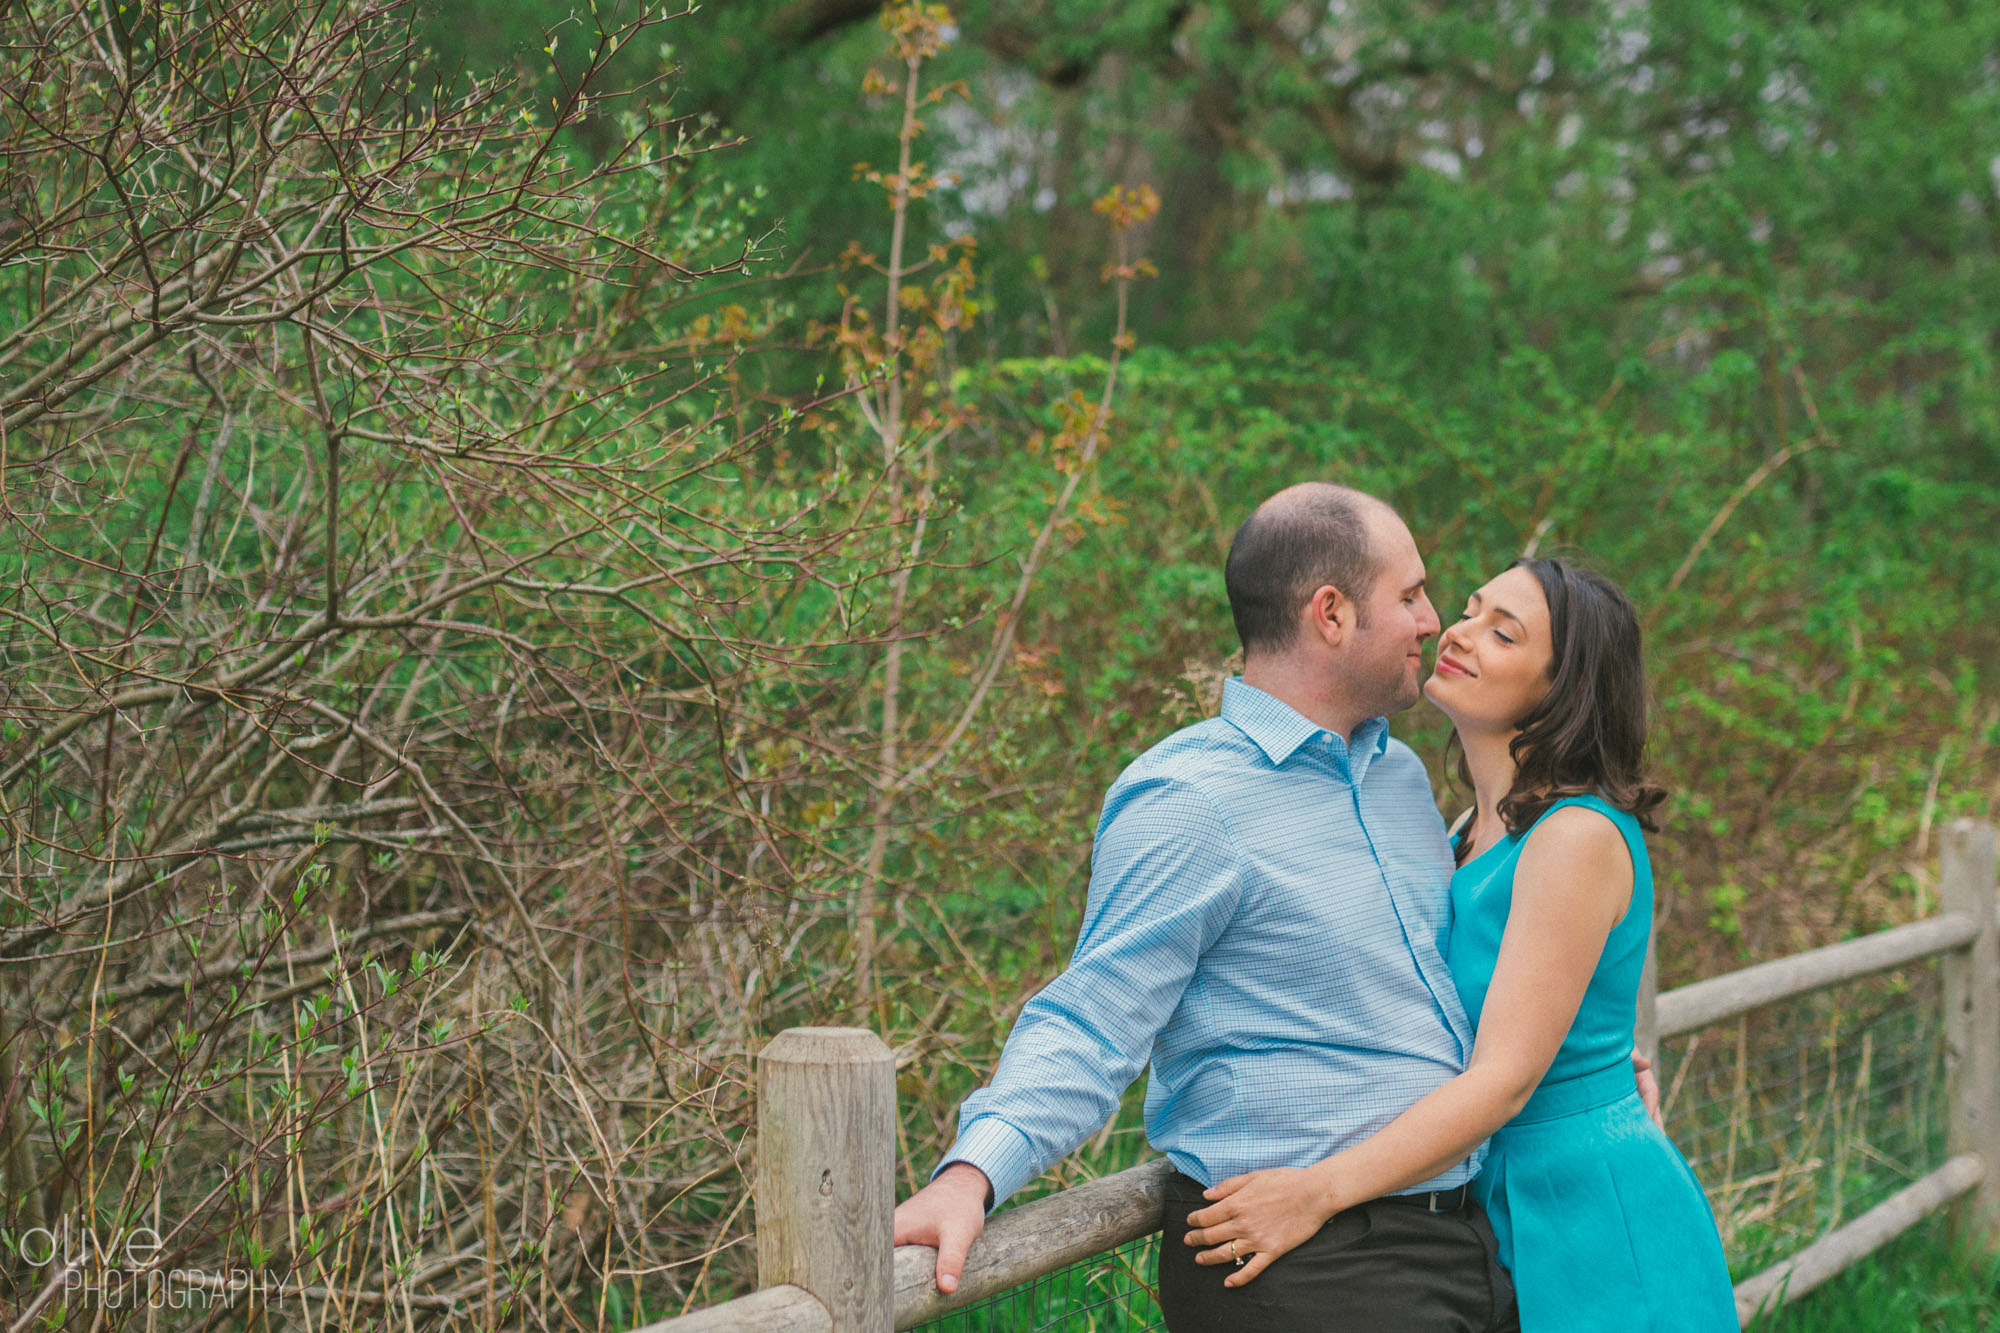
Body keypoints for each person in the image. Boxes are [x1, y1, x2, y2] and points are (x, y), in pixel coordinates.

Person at [898, 483, 1584, 1331]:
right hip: (1294, 1264)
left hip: (1460, 1241)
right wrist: (970, 1174)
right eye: (1409, 595)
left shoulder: (1402, 780)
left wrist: (1583, 1055)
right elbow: (1092, 1020)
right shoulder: (1189, 799)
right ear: (1330, 614)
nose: (1430, 620)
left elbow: (1443, 988)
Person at [1177, 557, 1737, 1329]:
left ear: (1561, 688)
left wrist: (1314, 1192)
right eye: (1471, 611)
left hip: (1587, 1211)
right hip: (1489, 1201)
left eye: (1502, 633)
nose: (1461, 633)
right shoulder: (1464, 834)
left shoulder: (1575, 834)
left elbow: (1505, 1079)